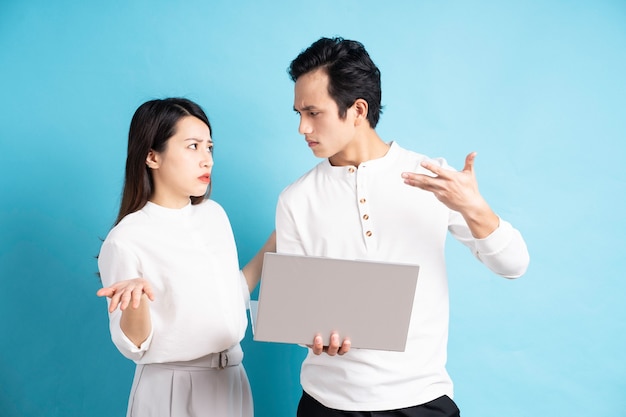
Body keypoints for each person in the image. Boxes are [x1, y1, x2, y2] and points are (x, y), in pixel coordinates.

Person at [276, 37, 530, 417]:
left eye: (313, 113)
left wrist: (474, 206)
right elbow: (296, 314)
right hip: (326, 404)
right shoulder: (295, 199)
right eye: (298, 113)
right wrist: (312, 337)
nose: (302, 127)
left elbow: (514, 265)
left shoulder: (432, 178)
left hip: (421, 401)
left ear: (357, 109)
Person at [96, 97, 275, 417]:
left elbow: (232, 297)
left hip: (232, 379)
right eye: (192, 146)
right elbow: (135, 344)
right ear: (152, 156)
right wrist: (136, 301)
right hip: (174, 390)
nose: (207, 160)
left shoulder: (214, 215)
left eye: (209, 148)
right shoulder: (126, 239)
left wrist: (276, 241)